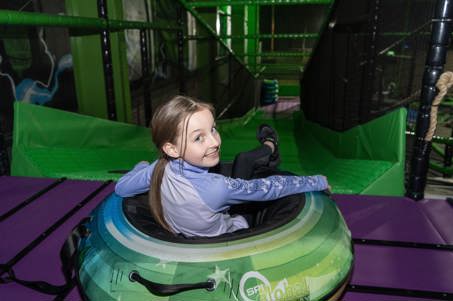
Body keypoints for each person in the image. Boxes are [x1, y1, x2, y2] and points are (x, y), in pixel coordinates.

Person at [115, 95, 330, 237]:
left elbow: (122, 188)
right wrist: (317, 181)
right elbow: (271, 187)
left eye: (214, 129)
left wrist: (142, 166)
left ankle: (269, 148)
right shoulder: (216, 188)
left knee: (242, 160)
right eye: (199, 138)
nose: (215, 142)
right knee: (245, 160)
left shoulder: (158, 169)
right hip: (234, 228)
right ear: (172, 149)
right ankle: (270, 147)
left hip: (198, 220)